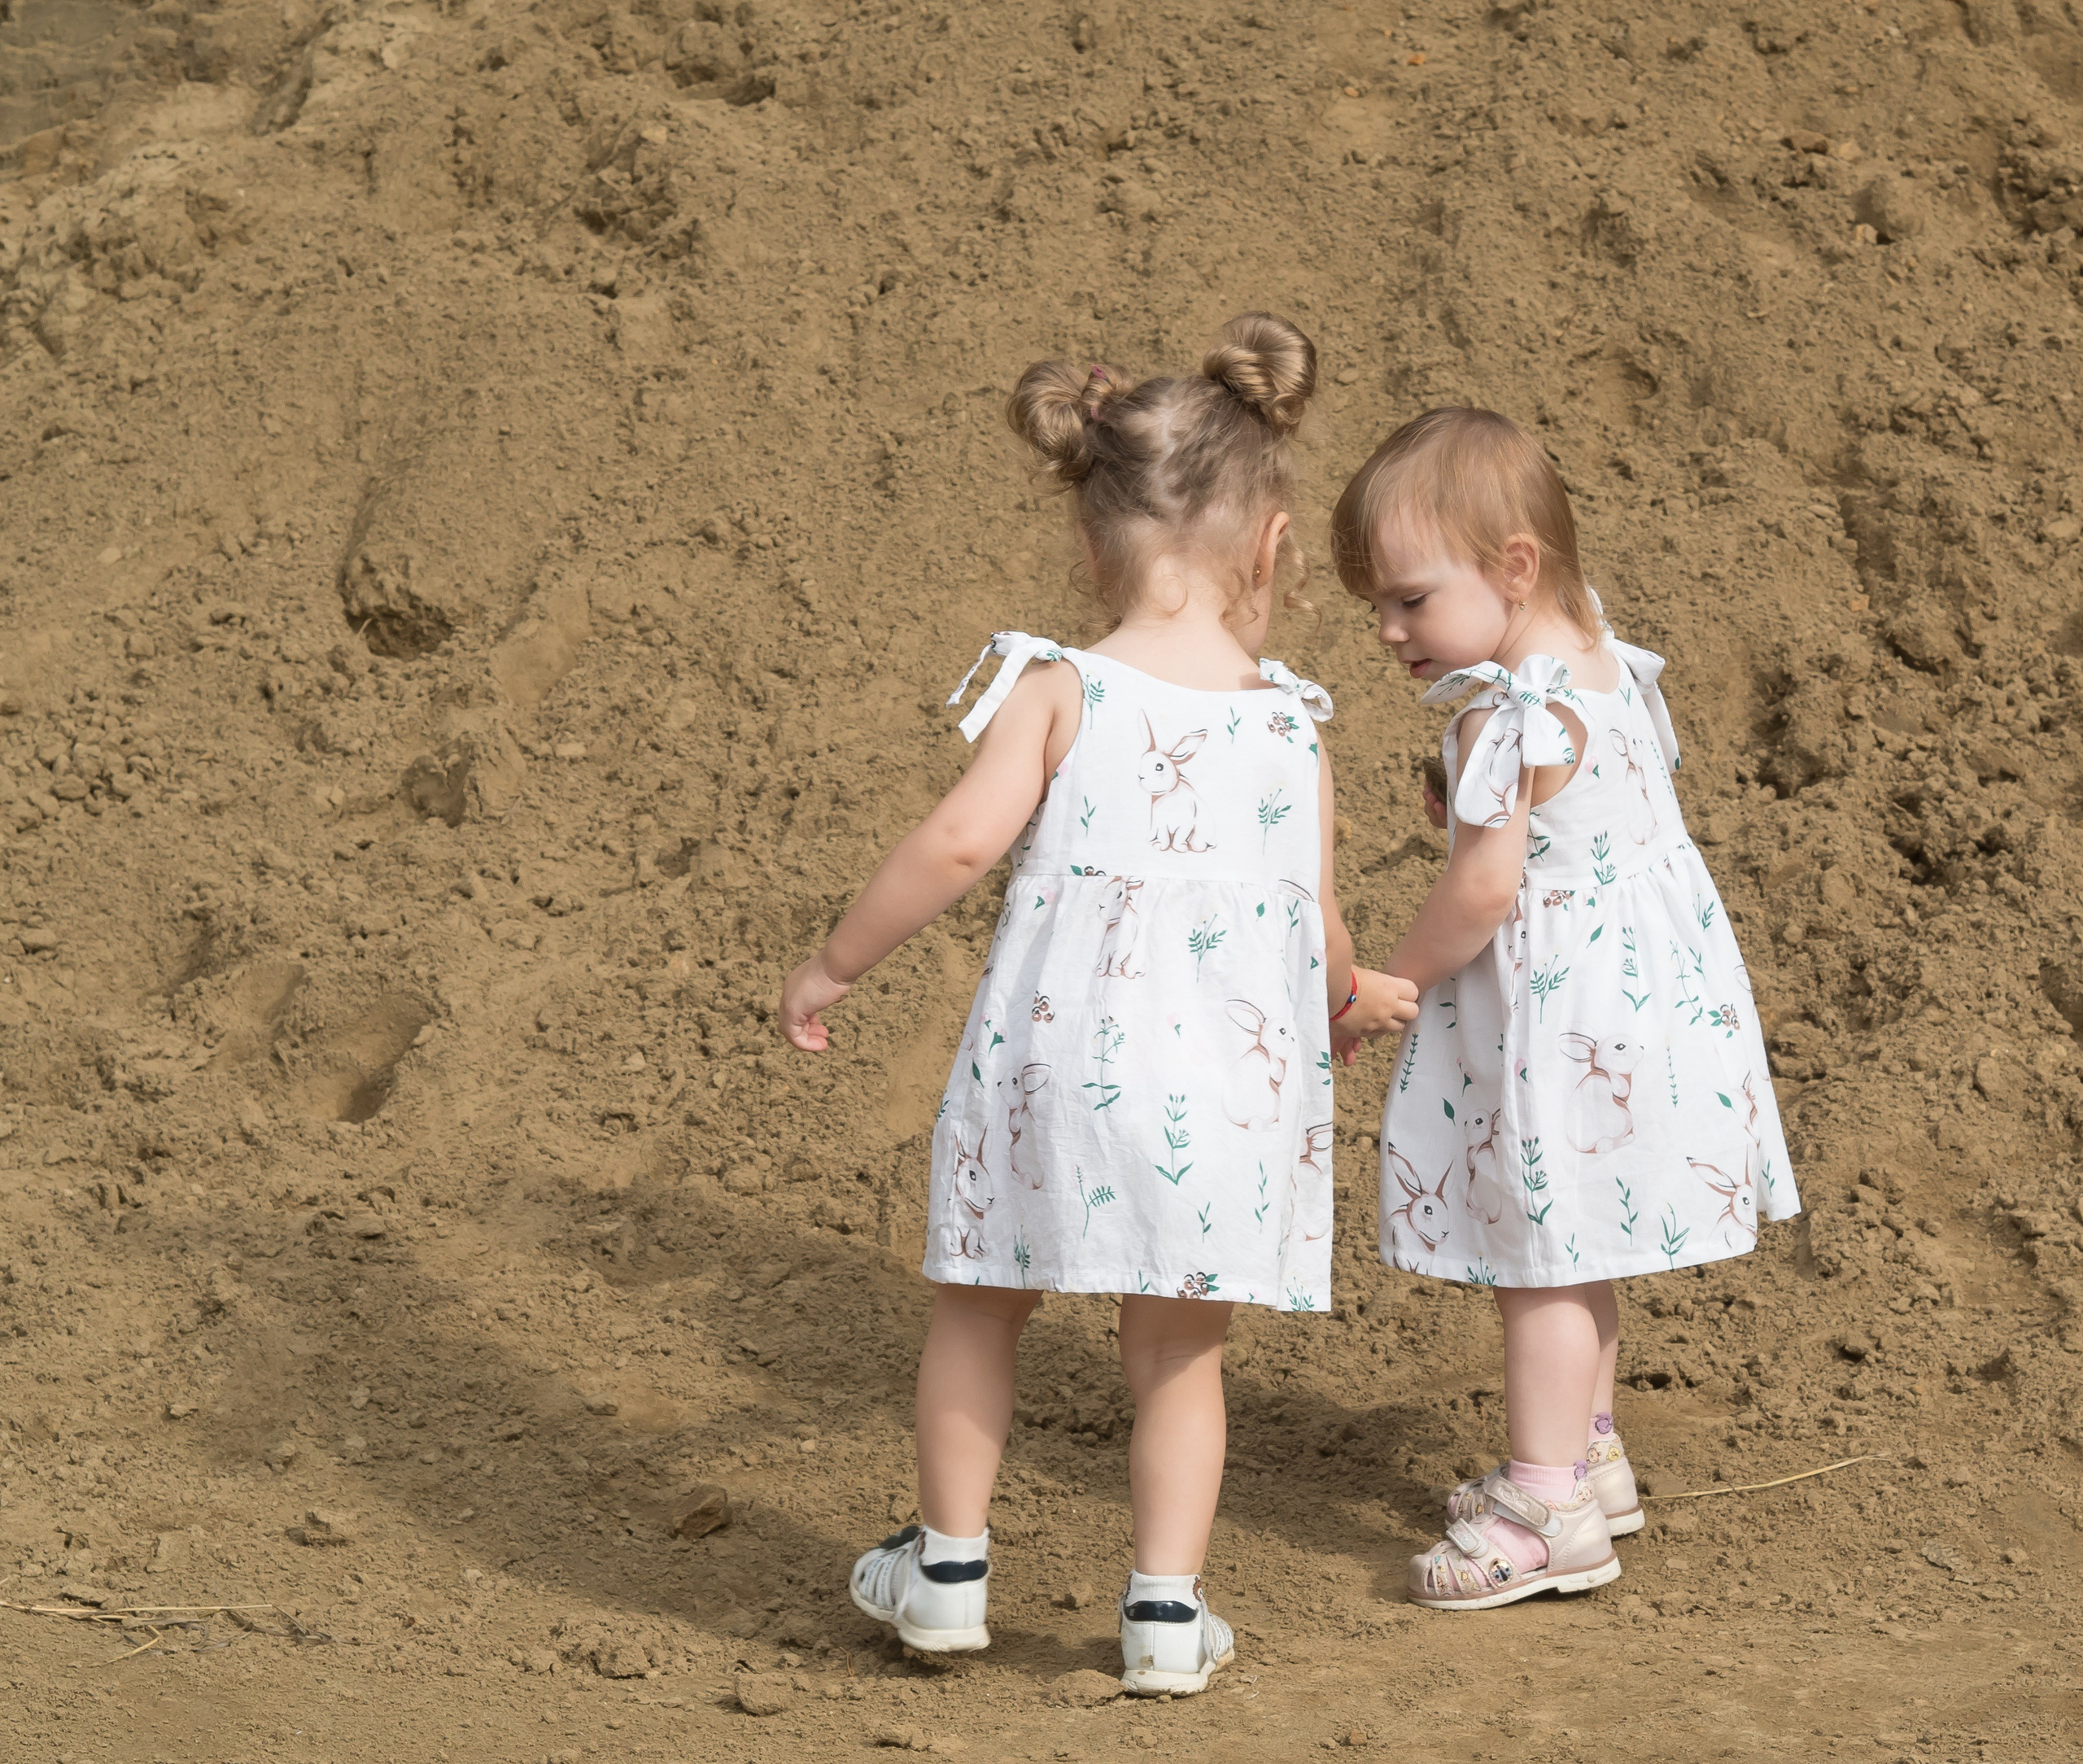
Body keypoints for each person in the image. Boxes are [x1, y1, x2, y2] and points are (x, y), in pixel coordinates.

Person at [780, 315, 1416, 1692]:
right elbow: (1315, 918)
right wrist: (1347, 1005)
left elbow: (959, 846)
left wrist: (834, 964)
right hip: (1228, 1095)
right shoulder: (1289, 722)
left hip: (1057, 1071)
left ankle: (946, 1575)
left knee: (977, 1308)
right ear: (1270, 546)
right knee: (1180, 1358)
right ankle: (1167, 1618)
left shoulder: (1060, 691)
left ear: (1090, 545)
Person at [1330, 408, 1800, 1611]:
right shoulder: (1602, 666)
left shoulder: (1506, 712)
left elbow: (1484, 886)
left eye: (1409, 600)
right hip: (1640, 1012)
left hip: (1559, 1022)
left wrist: (1395, 977)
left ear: (1514, 567)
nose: (1387, 631)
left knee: (1538, 1261)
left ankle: (1546, 1513)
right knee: (1579, 1240)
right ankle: (1590, 1454)